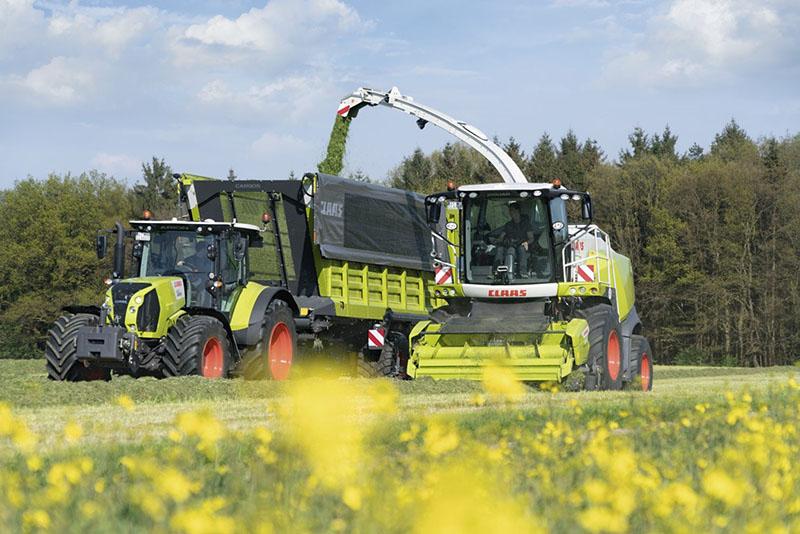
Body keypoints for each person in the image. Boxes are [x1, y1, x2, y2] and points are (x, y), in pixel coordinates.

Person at [490, 202, 535, 277]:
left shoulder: (526, 224)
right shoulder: (508, 225)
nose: (511, 213)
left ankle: (523, 272)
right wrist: (494, 241)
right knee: (500, 249)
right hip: (509, 246)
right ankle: (495, 272)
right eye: (510, 211)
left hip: (521, 246)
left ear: (518, 211)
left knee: (521, 248)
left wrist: (526, 242)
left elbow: (531, 238)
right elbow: (501, 237)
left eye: (512, 210)